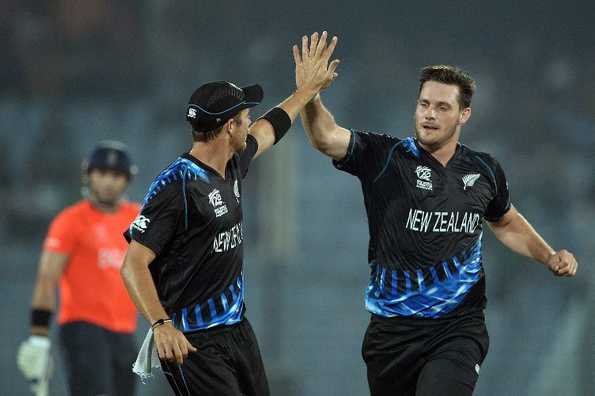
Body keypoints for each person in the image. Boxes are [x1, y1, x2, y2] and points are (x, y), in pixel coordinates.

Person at [294, 33, 578, 396]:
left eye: (442, 107)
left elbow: (504, 220)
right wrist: (310, 95)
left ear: (464, 115)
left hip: (457, 328)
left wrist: (549, 255)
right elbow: (324, 137)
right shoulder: (386, 157)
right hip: (391, 333)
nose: (429, 113)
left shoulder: (485, 170)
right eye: (424, 104)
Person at [120, 32, 339, 396]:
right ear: (229, 127)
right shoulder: (177, 185)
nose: (250, 122)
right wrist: (160, 324)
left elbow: (271, 129)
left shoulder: (232, 163)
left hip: (237, 330)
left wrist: (307, 91)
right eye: (245, 116)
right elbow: (133, 263)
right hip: (194, 342)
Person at [17, 141, 141, 396]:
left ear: (127, 179)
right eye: (102, 173)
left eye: (116, 175)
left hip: (125, 330)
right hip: (83, 328)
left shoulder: (139, 219)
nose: (108, 181)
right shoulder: (70, 221)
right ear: (89, 175)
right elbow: (47, 279)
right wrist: (38, 336)